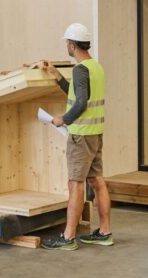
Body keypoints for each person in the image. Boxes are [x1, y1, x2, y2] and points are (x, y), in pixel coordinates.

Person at [39, 23, 113, 251]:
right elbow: (77, 92)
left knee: (75, 184)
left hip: (81, 136)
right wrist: (56, 74)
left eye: (66, 43)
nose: (66, 47)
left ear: (72, 44)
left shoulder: (81, 70)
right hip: (95, 133)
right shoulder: (95, 67)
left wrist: (64, 119)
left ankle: (68, 237)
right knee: (97, 182)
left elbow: (80, 102)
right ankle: (105, 232)